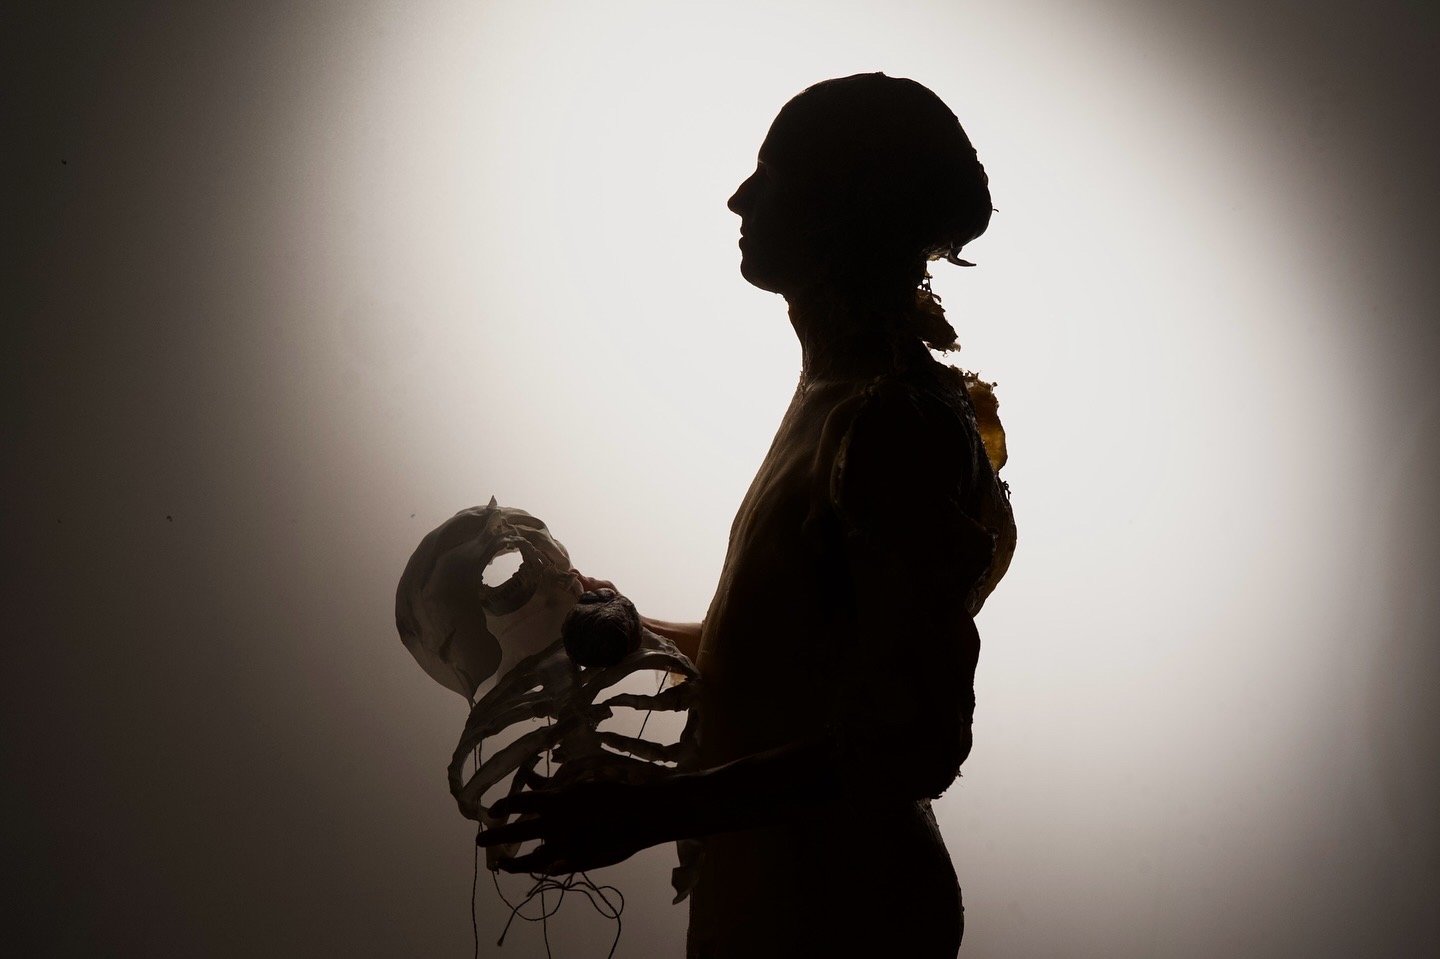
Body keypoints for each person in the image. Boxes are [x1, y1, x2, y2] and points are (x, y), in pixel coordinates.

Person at [480, 72, 1016, 957]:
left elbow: (916, 740)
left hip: (845, 921)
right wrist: (620, 621)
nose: (740, 196)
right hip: (765, 906)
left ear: (846, 206)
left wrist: (653, 808)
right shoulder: (838, 398)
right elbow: (796, 663)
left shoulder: (895, 423)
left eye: (773, 171)